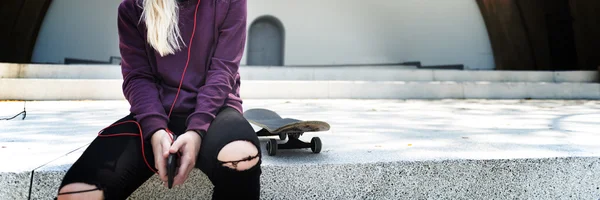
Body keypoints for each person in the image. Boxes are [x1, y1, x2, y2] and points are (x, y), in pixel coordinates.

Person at [55, 0, 261, 199]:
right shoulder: (133, 7)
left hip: (216, 112)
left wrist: (196, 131)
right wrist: (155, 130)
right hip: (154, 115)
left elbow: (223, 71)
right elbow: (137, 77)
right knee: (76, 192)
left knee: (242, 157)